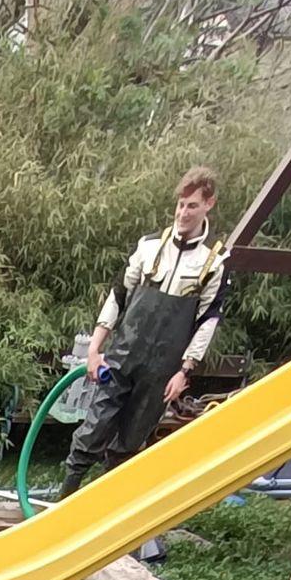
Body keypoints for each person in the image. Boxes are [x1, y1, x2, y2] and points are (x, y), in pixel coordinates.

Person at [59, 169, 230, 499]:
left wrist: (185, 371)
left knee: (129, 442)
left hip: (162, 370)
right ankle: (63, 502)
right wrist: (95, 349)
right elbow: (118, 295)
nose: (183, 213)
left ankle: (108, 510)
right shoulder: (150, 246)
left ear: (209, 204)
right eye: (181, 205)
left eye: (192, 206)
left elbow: (208, 320)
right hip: (123, 355)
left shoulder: (215, 261)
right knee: (93, 430)